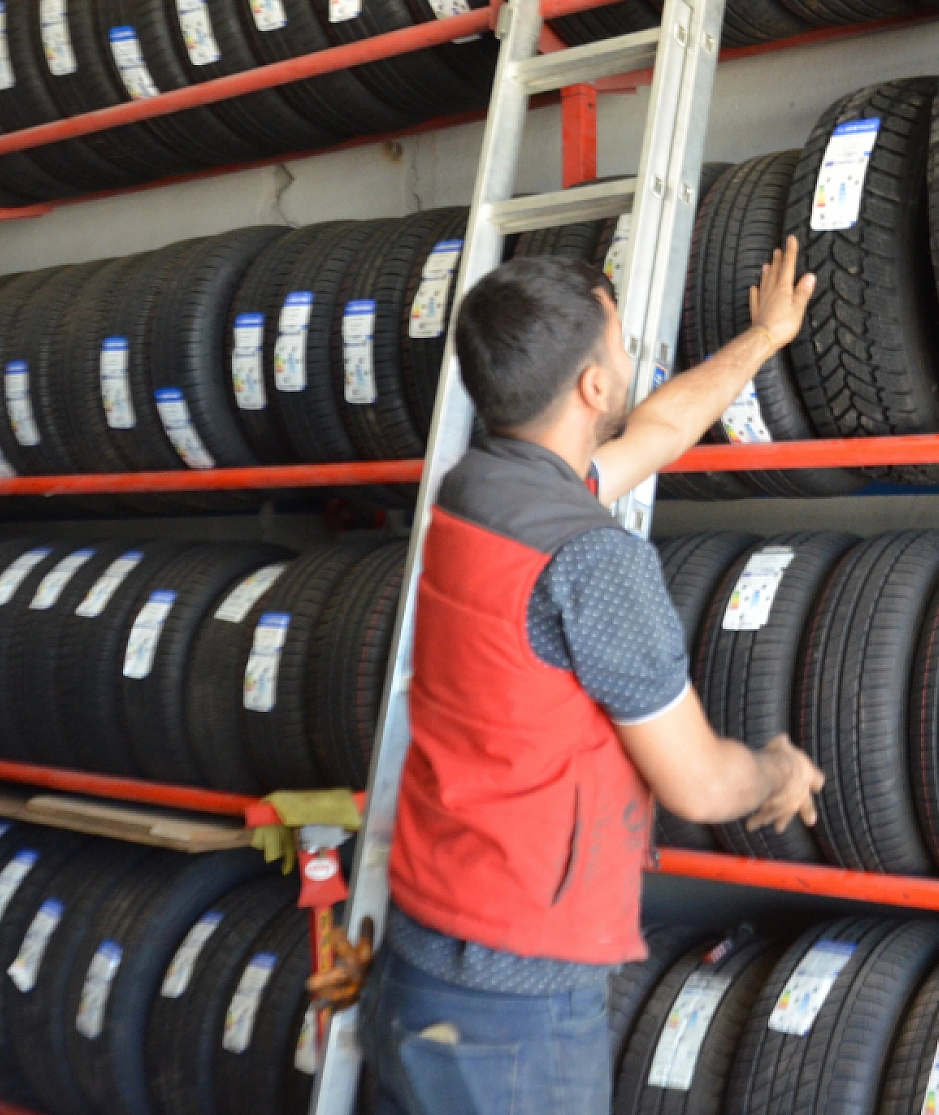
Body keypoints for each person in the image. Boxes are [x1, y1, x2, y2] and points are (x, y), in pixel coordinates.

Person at [357, 236, 826, 1115]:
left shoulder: (477, 492)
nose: (629, 360)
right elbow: (694, 782)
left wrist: (764, 339)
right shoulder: (593, 562)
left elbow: (660, 430)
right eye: (620, 347)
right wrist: (778, 769)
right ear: (592, 389)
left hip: (421, 961)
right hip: (515, 1010)